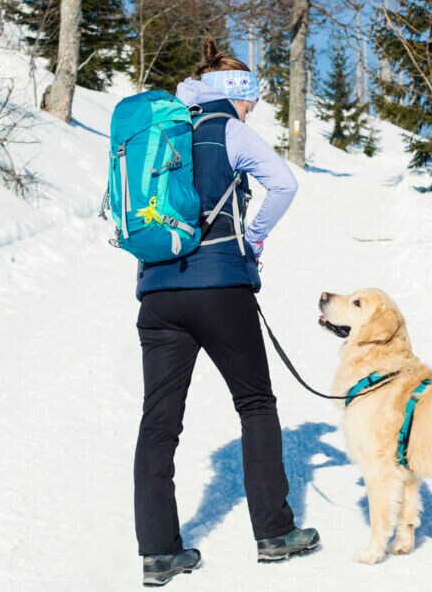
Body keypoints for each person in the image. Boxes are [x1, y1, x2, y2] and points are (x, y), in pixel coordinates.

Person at [134, 38, 319, 587]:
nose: (253, 109)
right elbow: (283, 184)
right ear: (234, 95)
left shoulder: (157, 131)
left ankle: (159, 552)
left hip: (157, 293)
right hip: (220, 287)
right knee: (256, 403)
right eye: (252, 100)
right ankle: (274, 534)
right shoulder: (229, 131)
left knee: (159, 421)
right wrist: (252, 241)